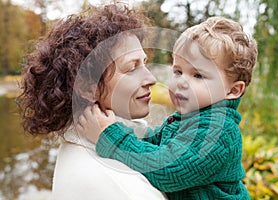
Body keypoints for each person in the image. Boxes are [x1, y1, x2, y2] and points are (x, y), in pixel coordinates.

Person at [77, 16, 258, 200]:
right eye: (178, 71)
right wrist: (117, 125)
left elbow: (166, 170)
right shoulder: (188, 118)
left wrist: (110, 136)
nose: (181, 82)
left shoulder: (219, 133)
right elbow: (156, 145)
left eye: (198, 75)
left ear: (233, 90)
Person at [17, 4, 168, 200]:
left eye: (144, 63)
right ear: (88, 87)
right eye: (132, 68)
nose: (151, 79)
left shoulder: (84, 148)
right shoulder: (118, 184)